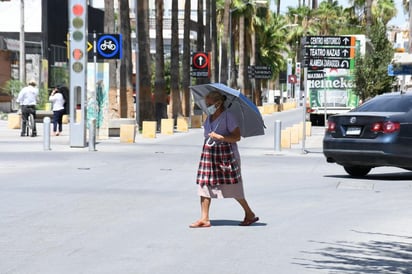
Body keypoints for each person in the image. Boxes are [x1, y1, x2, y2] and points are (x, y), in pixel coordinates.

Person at [190, 90, 259, 228]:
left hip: (226, 155)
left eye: (209, 103)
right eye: (206, 103)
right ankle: (204, 218)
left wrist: (222, 137)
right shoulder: (209, 117)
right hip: (210, 154)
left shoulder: (229, 117)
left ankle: (249, 213)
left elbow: (237, 137)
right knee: (205, 183)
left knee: (232, 186)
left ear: (218, 103)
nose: (207, 105)